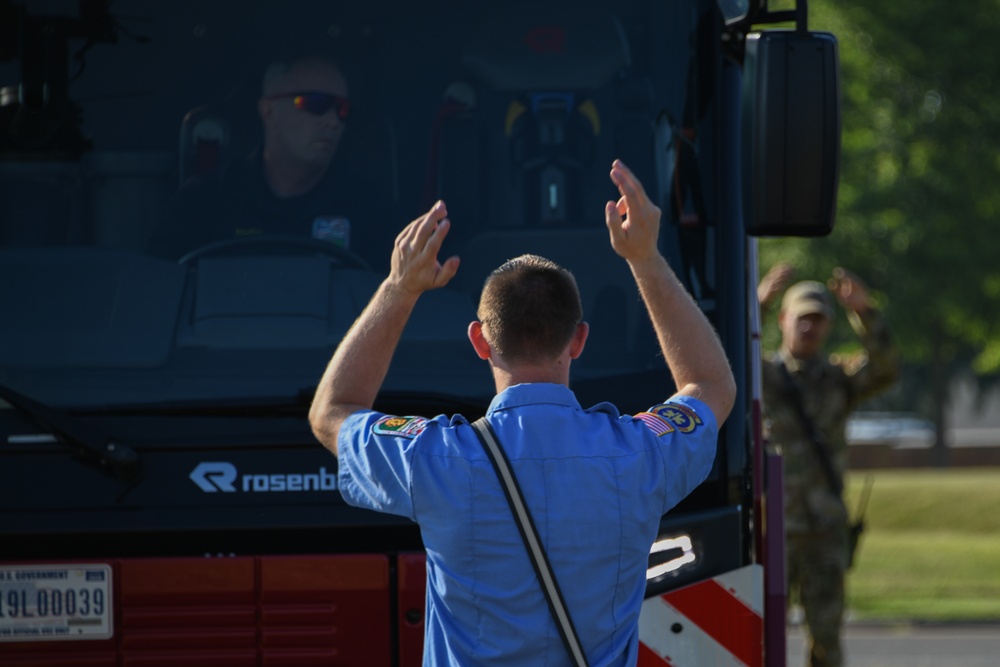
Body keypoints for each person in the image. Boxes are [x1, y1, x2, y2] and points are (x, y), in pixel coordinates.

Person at [309, 159, 736, 665]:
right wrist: (645, 259)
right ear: (578, 340)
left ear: (479, 342)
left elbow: (333, 410)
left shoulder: (435, 458)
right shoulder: (636, 454)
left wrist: (399, 289)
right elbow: (710, 385)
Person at [757, 263, 900, 667]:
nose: (809, 328)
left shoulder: (838, 379)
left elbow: (886, 368)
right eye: (802, 318)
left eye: (818, 321)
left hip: (824, 530)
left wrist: (864, 312)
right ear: (784, 320)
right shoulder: (761, 375)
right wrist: (757, 305)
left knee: (827, 643)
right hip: (774, 531)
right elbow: (723, 356)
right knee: (762, 640)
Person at [148, 55, 385, 263]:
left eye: (341, 109)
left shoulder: (370, 212)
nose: (333, 121)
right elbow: (161, 292)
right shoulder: (203, 202)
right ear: (269, 111)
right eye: (316, 103)